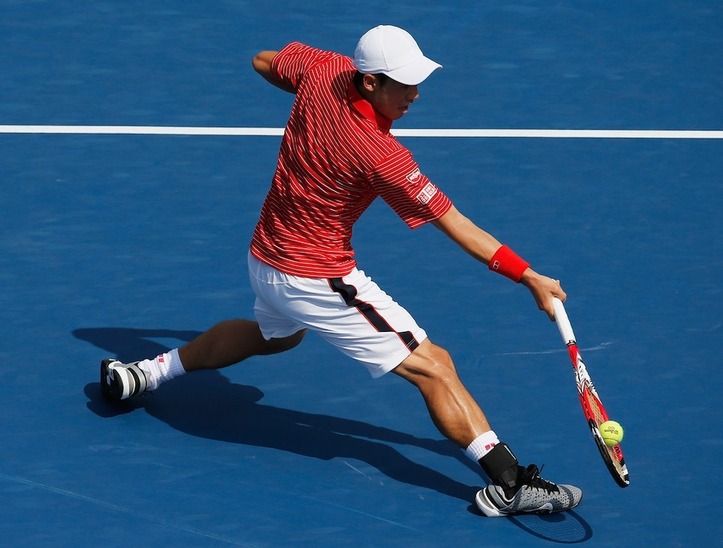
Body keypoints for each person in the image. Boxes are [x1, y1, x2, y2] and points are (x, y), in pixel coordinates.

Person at [100, 25, 582, 517]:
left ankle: (145, 373)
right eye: (403, 83)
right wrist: (529, 277)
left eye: (418, 81)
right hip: (316, 275)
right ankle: (507, 483)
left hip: (264, 256)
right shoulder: (381, 155)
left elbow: (263, 61)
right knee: (433, 365)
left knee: (277, 337)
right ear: (370, 82)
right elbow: (454, 223)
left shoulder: (326, 71)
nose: (415, 94)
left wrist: (308, 95)